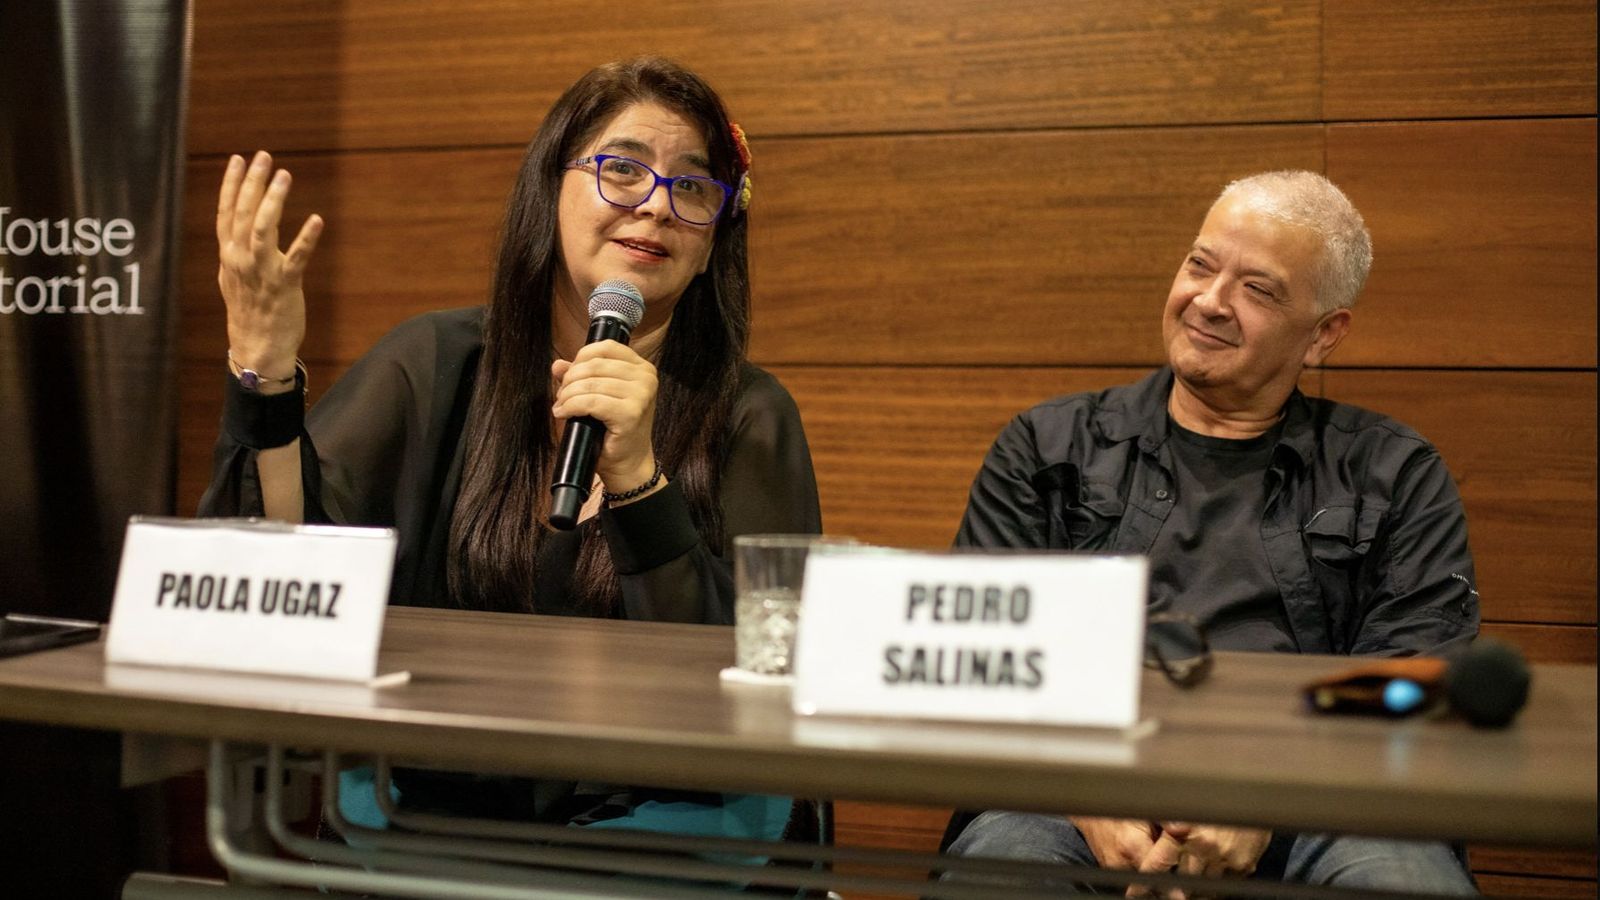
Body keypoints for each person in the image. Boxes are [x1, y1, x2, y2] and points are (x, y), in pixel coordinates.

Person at [199, 57, 821, 829]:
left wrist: (638, 482)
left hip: (659, 824)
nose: (657, 206)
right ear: (548, 189)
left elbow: (764, 681)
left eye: (692, 186)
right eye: (623, 170)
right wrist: (264, 378)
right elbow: (282, 568)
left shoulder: (750, 415)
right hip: (434, 808)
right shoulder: (435, 362)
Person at [943, 171, 1479, 895]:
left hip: (1321, 803)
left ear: (1324, 334)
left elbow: (1414, 687)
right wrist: (1087, 799)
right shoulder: (1048, 448)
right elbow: (978, 662)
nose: (1209, 301)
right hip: (1069, 795)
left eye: (1258, 289)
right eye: (1200, 264)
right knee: (1000, 874)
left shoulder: (1393, 472)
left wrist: (1264, 799)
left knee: (1401, 879)